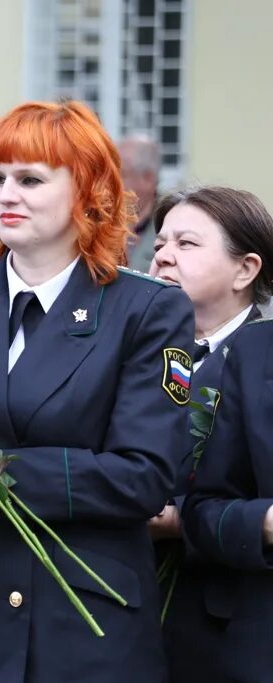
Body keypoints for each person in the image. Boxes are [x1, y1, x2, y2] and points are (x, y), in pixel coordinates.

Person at [0, 100, 194, 682]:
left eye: (30, 179)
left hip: (78, 624)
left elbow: (144, 476)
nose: (6, 194)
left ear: (87, 191)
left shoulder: (148, 309)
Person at [160, 189, 273, 683]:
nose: (163, 254)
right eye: (161, 242)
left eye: (186, 244)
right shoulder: (142, 352)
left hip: (220, 612)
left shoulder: (255, 362)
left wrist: (178, 518)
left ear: (245, 270)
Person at [118, 134, 161, 272]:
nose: (109, 182)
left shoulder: (169, 227)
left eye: (122, 174)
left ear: (148, 179)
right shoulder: (94, 224)